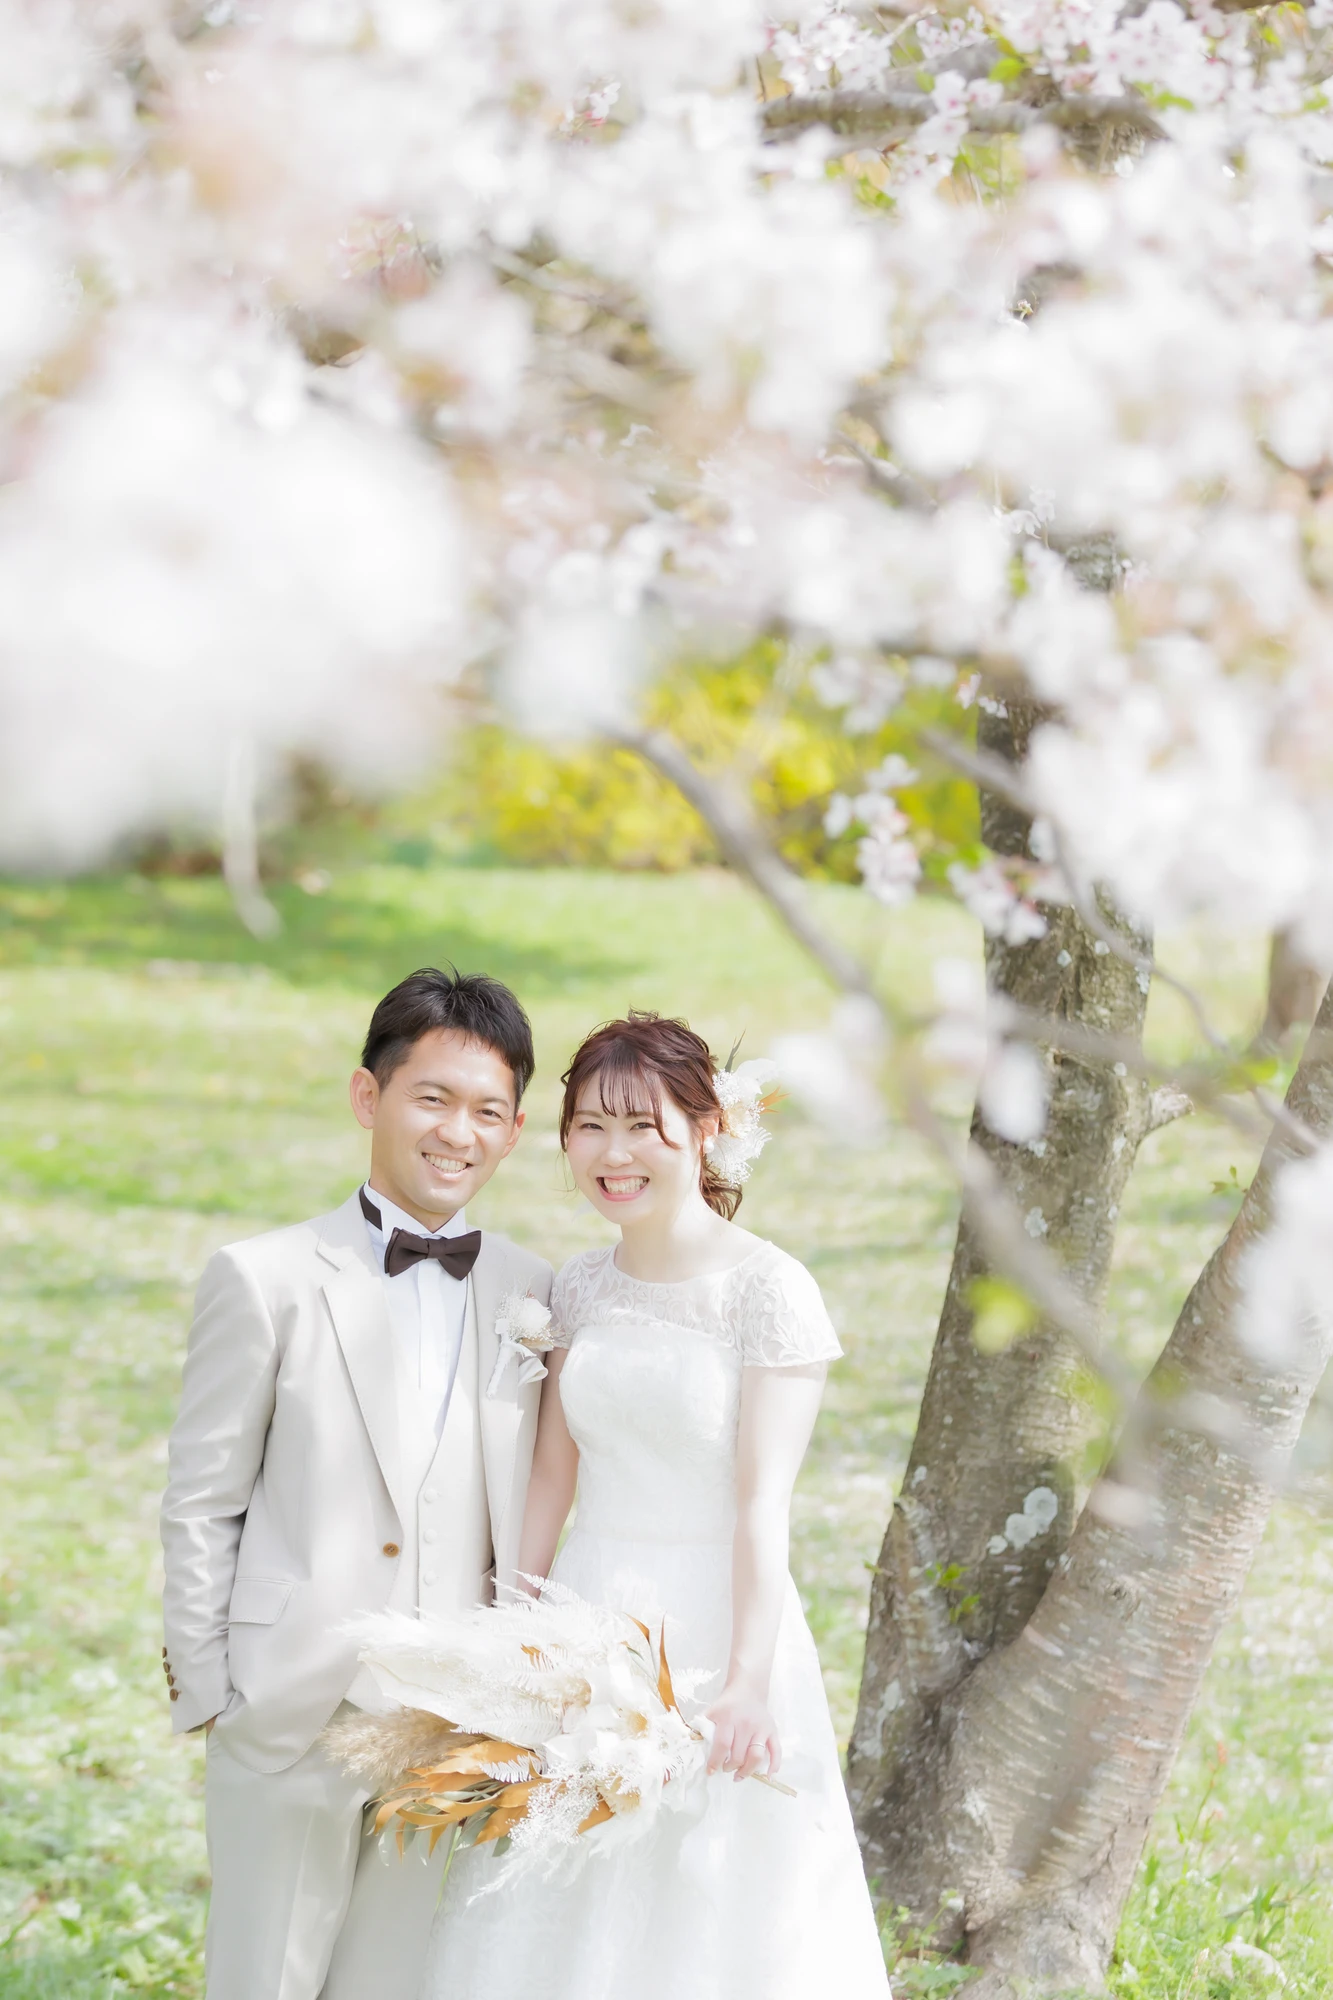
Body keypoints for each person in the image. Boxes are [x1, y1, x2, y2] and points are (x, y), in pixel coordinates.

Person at [419, 1011, 891, 2000]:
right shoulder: (580, 1286)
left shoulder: (768, 1289)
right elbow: (551, 1475)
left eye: (643, 1125)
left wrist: (748, 1681)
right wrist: (513, 1625)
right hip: (588, 1601)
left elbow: (762, 1505)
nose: (613, 1153)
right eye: (590, 1126)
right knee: (563, 1868)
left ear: (706, 1129)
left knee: (705, 1890)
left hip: (715, 1621)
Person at [160, 968, 552, 2000]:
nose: (457, 1132)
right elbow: (203, 1496)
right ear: (367, 1096)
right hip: (292, 1702)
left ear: (515, 1131)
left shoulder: (529, 1289)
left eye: (488, 1111)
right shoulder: (266, 1277)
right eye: (432, 1098)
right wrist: (213, 1689)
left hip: (450, 1720)